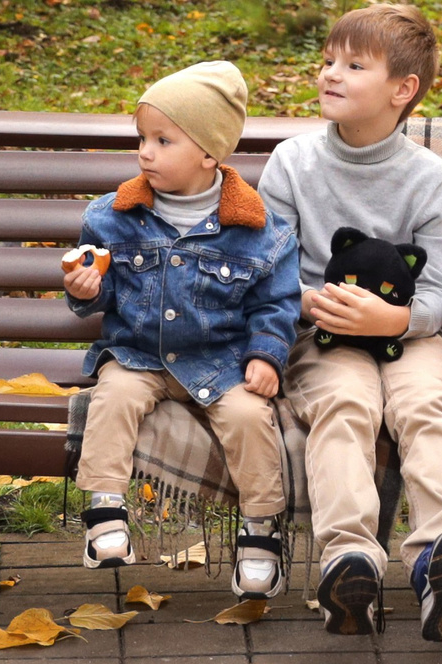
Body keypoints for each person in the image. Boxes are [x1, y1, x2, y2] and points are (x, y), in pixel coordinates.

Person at [259, 2, 442, 642]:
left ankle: (440, 561)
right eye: (329, 60)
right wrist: (310, 302)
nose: (331, 73)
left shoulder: (430, 179)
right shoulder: (293, 163)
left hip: (409, 335)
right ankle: (348, 561)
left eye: (354, 65)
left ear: (402, 90)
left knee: (427, 403)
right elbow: (269, 272)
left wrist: (394, 317)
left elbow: (439, 295)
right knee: (346, 403)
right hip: (323, 335)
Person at [61, 61, 299, 599]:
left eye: (163, 140)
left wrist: (266, 355)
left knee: (247, 415)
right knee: (113, 393)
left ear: (210, 153)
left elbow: (277, 304)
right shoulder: (112, 217)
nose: (145, 151)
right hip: (139, 354)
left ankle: (261, 529)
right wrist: (86, 290)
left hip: (221, 363)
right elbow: (105, 289)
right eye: (142, 137)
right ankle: (104, 509)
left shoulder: (260, 232)